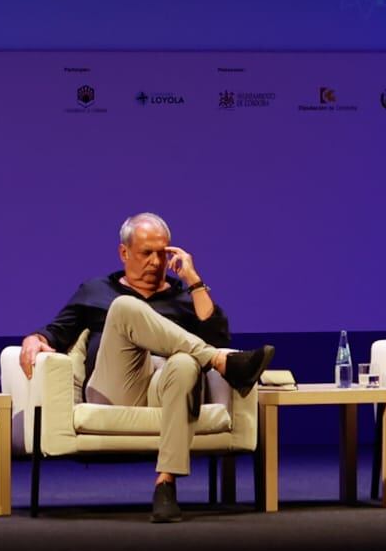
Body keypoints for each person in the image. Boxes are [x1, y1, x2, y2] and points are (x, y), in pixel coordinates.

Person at [17, 212, 275, 522]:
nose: (156, 262)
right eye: (146, 253)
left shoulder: (182, 295)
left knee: (183, 362)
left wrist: (193, 280)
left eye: (162, 253)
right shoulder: (96, 290)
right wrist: (34, 339)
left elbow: (218, 335)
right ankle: (221, 364)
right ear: (124, 253)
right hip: (115, 388)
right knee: (126, 307)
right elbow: (55, 332)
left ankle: (166, 484)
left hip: (165, 388)